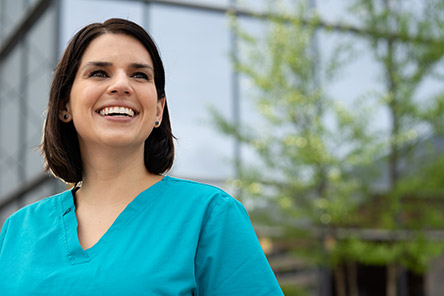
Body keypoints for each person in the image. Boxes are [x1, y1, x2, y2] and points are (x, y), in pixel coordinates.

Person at [0, 18, 283, 295]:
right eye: (99, 73)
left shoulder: (210, 215)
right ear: (65, 106)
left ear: (158, 110)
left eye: (139, 75)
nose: (121, 85)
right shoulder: (17, 231)